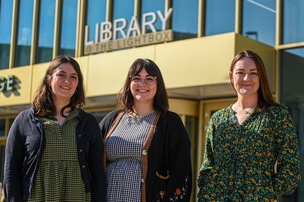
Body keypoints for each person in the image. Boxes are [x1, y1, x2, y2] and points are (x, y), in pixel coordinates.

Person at [197, 50, 301, 201]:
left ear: (261, 77)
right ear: (232, 76)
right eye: (240, 72)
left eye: (253, 73)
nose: (246, 78)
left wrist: (265, 191)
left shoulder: (277, 115)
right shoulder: (218, 119)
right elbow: (208, 165)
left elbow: (291, 167)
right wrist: (206, 191)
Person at [4, 56, 106, 202]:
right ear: (49, 78)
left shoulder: (88, 122)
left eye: (73, 77)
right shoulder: (24, 120)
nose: (67, 81)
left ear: (78, 83)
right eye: (61, 75)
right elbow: (10, 171)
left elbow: (98, 174)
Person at [100, 58, 192, 202]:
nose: (142, 84)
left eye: (149, 79)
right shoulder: (112, 119)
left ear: (158, 84)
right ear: (129, 83)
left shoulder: (170, 123)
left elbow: (181, 172)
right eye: (136, 78)